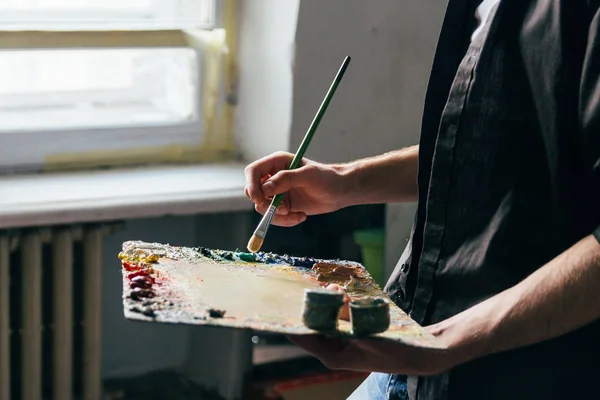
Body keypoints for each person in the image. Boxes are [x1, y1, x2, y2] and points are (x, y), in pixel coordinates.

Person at [244, 0, 600, 399]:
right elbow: (483, 146)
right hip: (415, 352)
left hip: (523, 374)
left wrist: (448, 342)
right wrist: (343, 182)